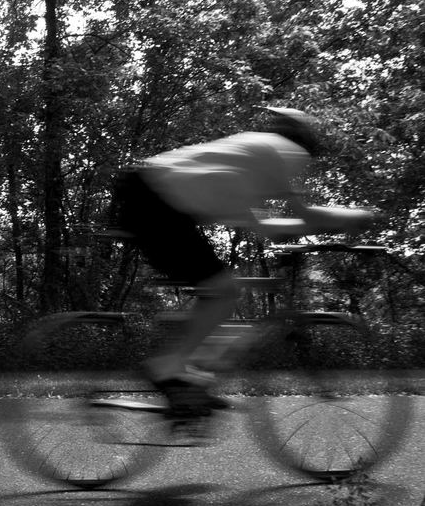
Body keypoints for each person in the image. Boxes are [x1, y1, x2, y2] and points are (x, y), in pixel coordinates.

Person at [114, 107, 375, 414]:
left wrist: (328, 227)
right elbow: (303, 216)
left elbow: (270, 229)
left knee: (219, 294)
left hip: (148, 194)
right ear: (303, 143)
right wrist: (353, 216)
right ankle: (167, 367)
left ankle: (187, 381)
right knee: (224, 292)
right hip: (156, 202)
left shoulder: (246, 160)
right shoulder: (282, 151)